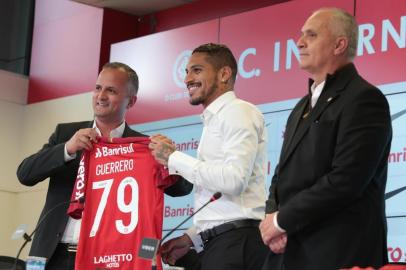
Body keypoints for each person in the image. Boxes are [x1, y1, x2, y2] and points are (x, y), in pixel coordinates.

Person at [17, 62, 192, 269]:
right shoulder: (67, 135)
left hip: (107, 259)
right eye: (98, 88)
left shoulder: (145, 147)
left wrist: (169, 160)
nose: (101, 96)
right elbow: (25, 174)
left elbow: (183, 189)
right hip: (53, 255)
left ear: (131, 101)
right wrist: (67, 149)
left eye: (111, 90)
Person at [259, 7, 392, 270]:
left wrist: (281, 221)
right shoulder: (300, 106)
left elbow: (346, 180)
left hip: (337, 253)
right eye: (301, 35)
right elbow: (281, 175)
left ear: (339, 44)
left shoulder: (364, 99)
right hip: (288, 251)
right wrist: (272, 218)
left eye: (311, 35)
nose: (299, 42)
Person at [149, 43, 273, 270]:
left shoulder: (238, 111)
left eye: (196, 70)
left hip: (237, 245)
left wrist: (173, 158)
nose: (187, 79)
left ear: (224, 74)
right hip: (222, 244)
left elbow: (234, 181)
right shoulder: (215, 119)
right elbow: (223, 204)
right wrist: (190, 239)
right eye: (186, 72)